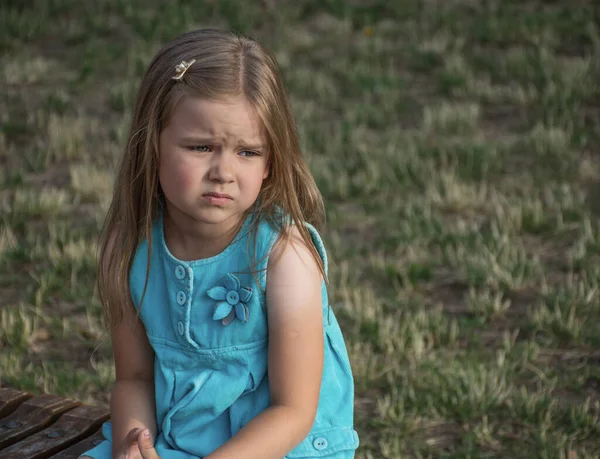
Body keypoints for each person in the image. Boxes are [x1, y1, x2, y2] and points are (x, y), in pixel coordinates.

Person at [80, 28, 359, 459]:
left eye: (247, 152)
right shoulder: (132, 245)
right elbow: (134, 378)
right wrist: (133, 443)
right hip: (178, 443)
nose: (223, 171)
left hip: (282, 447)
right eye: (202, 146)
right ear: (152, 146)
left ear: (271, 162)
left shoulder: (285, 258)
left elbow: (294, 410)